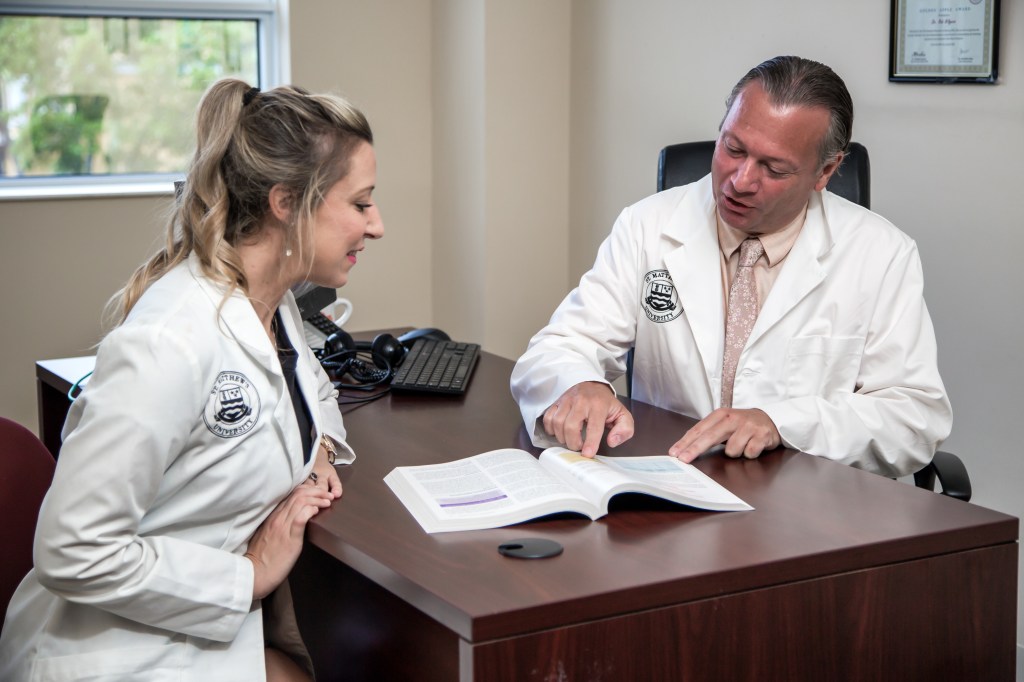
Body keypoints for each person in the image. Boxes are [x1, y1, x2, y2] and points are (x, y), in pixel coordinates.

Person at [0, 78, 382, 681]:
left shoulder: (272, 302)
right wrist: (248, 575)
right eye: (361, 204)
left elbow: (316, 391)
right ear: (287, 203)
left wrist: (320, 452)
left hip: (183, 629)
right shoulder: (171, 342)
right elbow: (72, 550)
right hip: (111, 652)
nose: (377, 225)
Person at [510, 55, 951, 478]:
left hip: (805, 505)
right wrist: (583, 384)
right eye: (733, 148)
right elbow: (560, 347)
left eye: (774, 168)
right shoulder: (648, 224)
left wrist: (782, 422)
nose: (740, 181)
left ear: (826, 171)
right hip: (667, 490)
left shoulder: (881, 253)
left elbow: (913, 417)